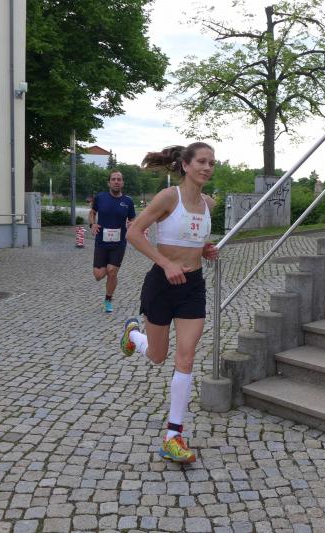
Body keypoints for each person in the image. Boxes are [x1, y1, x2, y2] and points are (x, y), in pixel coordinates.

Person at [118, 142, 218, 464]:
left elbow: (192, 239)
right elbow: (134, 233)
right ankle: (134, 335)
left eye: (211, 163)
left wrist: (204, 250)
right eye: (201, 161)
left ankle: (173, 436)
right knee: (158, 356)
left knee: (186, 357)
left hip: (193, 287)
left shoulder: (209, 203)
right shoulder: (168, 198)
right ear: (185, 165)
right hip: (162, 285)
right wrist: (166, 263)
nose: (207, 167)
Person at [89, 170, 136, 313]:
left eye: (119, 179)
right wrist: (93, 224)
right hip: (101, 242)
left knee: (112, 271)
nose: (116, 182)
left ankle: (108, 300)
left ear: (123, 183)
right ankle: (103, 274)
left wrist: (132, 224)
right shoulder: (100, 197)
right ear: (109, 182)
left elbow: (132, 219)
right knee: (99, 275)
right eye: (113, 179)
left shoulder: (128, 201)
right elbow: (92, 212)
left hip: (119, 243)